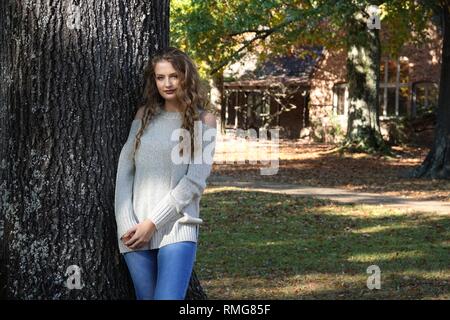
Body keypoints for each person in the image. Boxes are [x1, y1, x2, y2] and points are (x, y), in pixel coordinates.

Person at [114, 47, 217, 300]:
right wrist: (127, 224)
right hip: (134, 232)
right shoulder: (144, 116)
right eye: (160, 77)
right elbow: (124, 171)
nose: (167, 83)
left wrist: (153, 223)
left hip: (178, 229)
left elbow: (194, 181)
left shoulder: (205, 121)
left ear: (186, 77)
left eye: (174, 76)